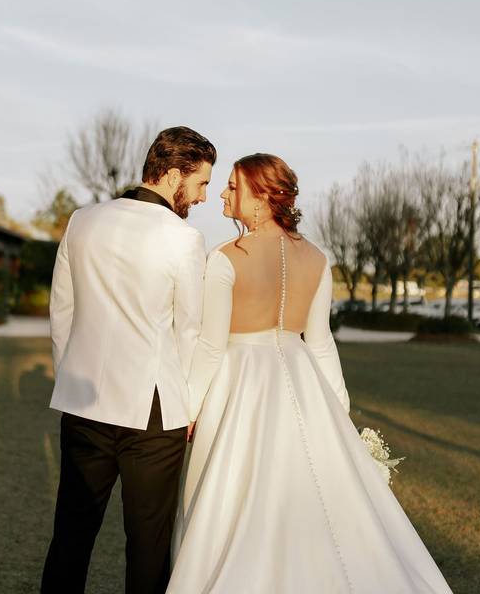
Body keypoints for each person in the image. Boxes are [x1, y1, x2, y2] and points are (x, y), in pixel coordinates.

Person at [167, 153, 452, 593]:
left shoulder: (224, 258)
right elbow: (320, 343)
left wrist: (189, 407)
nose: (223, 194)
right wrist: (338, 410)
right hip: (303, 381)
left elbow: (209, 344)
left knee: (233, 500)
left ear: (260, 199)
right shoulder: (318, 260)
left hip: (241, 384)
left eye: (232, 187)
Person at [41, 126, 216, 594]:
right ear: (174, 174)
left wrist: (75, 377)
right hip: (154, 415)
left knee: (71, 539)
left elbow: (62, 313)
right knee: (148, 547)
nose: (201, 198)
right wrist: (186, 407)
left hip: (84, 403)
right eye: (200, 184)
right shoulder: (184, 239)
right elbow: (190, 331)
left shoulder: (82, 220)